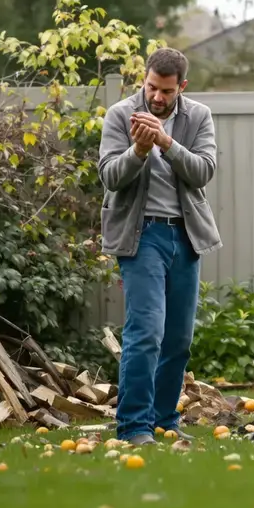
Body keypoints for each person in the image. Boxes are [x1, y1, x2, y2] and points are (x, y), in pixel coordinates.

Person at [97, 47, 221, 445]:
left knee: (178, 338)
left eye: (166, 91)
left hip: (185, 236)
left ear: (181, 87)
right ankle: (134, 427)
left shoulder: (198, 116)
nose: (157, 97)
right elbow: (110, 177)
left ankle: (166, 421)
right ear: (144, 80)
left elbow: (204, 170)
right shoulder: (120, 115)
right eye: (151, 87)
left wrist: (166, 143)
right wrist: (137, 150)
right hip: (141, 236)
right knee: (146, 330)